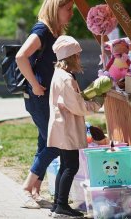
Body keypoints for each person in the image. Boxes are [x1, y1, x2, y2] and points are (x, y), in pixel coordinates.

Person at [15, 0, 74, 208]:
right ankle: (25, 189)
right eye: (68, 9)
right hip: (39, 97)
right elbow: (21, 56)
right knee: (55, 142)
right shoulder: (42, 30)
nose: (71, 13)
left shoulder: (53, 32)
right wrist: (34, 85)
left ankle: (35, 191)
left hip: (48, 96)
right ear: (55, 8)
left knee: (44, 142)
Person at [48, 35, 101, 218]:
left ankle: (57, 205)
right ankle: (61, 206)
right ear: (71, 57)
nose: (79, 58)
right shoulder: (66, 79)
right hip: (66, 127)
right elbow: (77, 107)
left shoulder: (60, 75)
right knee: (71, 166)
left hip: (63, 126)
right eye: (77, 55)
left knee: (65, 165)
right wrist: (98, 102)